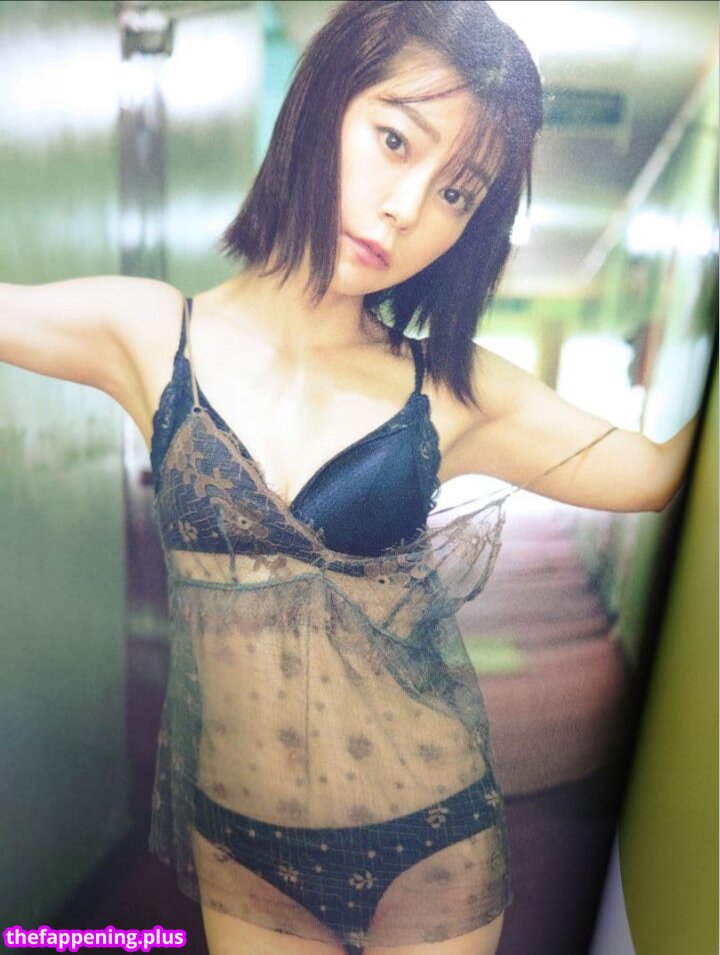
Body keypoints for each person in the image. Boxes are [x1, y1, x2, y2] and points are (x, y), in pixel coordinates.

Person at [0, 2, 697, 954]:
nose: (406, 207)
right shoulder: (152, 334)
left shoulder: (450, 388)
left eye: (457, 194)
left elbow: (655, 472)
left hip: (429, 837)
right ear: (324, 105)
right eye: (394, 140)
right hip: (242, 846)